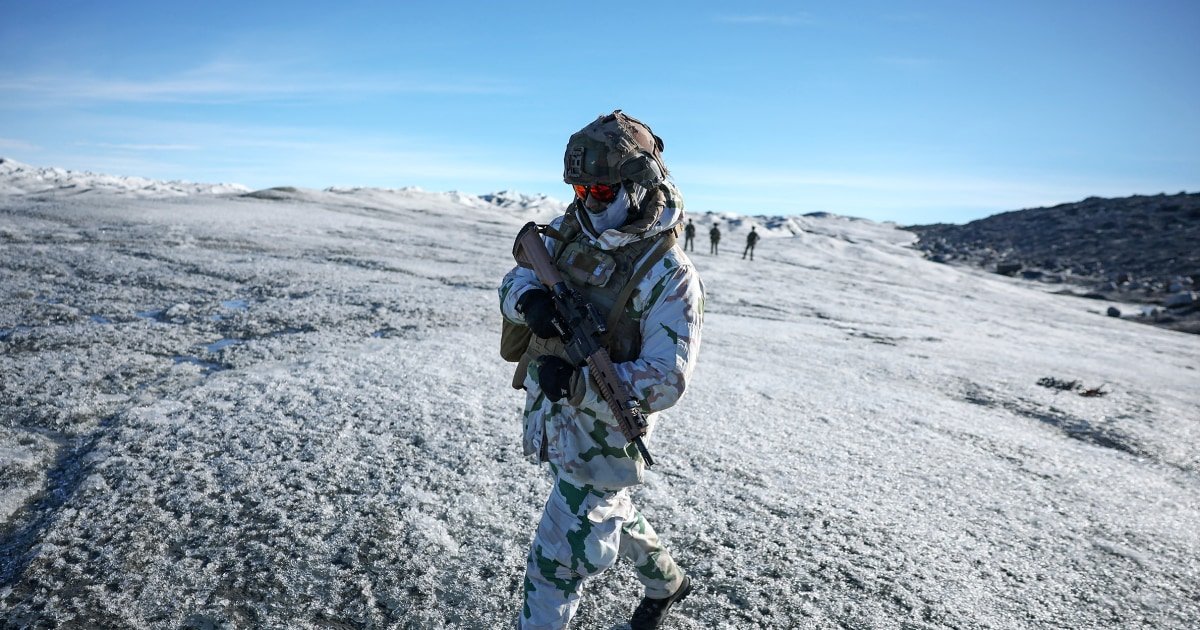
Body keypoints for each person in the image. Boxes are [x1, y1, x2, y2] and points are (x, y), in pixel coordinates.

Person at [499, 110, 704, 630]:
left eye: (601, 190)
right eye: (580, 189)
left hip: (606, 436)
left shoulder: (669, 275)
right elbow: (514, 280)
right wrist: (529, 303)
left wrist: (577, 384)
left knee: (553, 567)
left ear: (638, 186)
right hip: (555, 421)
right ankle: (667, 583)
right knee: (611, 507)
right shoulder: (568, 232)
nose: (588, 201)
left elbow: (668, 378)